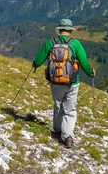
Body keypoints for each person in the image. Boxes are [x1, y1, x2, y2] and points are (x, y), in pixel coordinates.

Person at [32, 18, 95, 148]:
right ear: (70, 31)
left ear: (59, 30)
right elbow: (83, 62)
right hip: (72, 82)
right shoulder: (75, 44)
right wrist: (90, 73)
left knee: (58, 104)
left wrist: (35, 65)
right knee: (70, 109)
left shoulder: (51, 42)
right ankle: (67, 136)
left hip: (55, 81)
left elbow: (38, 59)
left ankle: (57, 130)